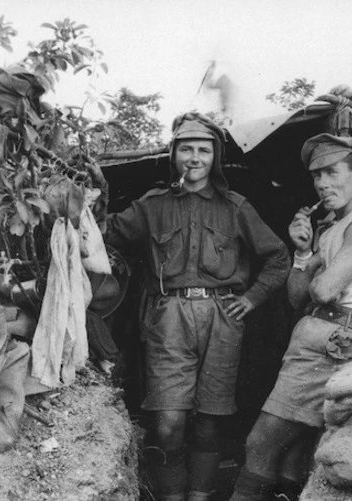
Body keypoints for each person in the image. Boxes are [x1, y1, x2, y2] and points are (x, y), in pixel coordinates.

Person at [103, 112, 291, 501]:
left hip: (223, 320)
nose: (194, 158)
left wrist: (251, 298)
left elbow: (277, 258)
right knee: (168, 423)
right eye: (186, 149)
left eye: (203, 150)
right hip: (168, 318)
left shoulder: (236, 207)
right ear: (173, 154)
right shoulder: (152, 205)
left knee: (209, 422)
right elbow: (107, 235)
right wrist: (84, 205)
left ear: (215, 156)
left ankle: (201, 496)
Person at [229, 133, 352, 501]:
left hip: (333, 341)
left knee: (260, 442)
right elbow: (296, 296)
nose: (323, 184)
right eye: (316, 176)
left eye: (331, 172)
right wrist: (304, 253)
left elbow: (323, 291)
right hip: (321, 337)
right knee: (294, 457)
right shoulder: (337, 225)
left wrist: (319, 271)